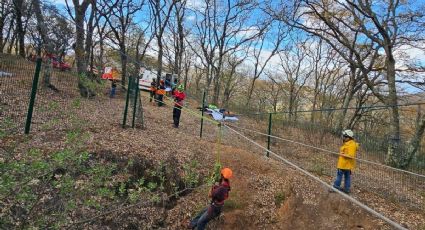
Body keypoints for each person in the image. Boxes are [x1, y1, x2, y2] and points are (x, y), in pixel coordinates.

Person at [333, 129, 359, 194]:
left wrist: (342, 154)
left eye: (345, 136)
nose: (343, 137)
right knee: (347, 177)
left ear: (349, 137)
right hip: (345, 164)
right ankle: (346, 189)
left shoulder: (351, 145)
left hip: (344, 164)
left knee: (339, 176)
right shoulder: (347, 143)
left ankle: (335, 187)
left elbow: (351, 155)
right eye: (343, 136)